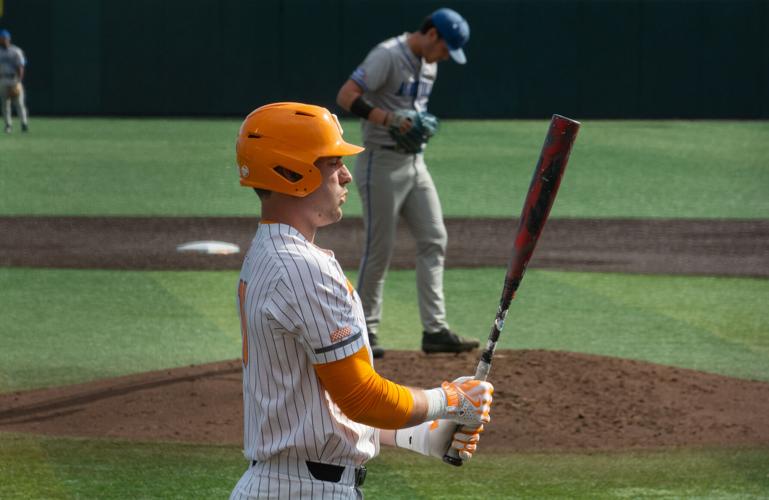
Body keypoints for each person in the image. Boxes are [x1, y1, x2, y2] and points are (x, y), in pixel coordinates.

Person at [229, 102, 494, 499]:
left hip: (283, 484)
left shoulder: (265, 255)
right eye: (333, 162)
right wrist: (449, 399)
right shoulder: (304, 269)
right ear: (292, 171)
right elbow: (360, 397)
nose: (347, 175)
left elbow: (318, 403)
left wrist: (421, 437)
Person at [336, 8, 478, 358]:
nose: (445, 57)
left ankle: (435, 330)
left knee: (434, 238)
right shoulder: (387, 55)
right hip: (380, 162)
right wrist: (388, 119)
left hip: (415, 163)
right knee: (379, 248)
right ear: (432, 35)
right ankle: (364, 330)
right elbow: (346, 95)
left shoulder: (430, 62)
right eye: (445, 49)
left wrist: (407, 123)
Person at [0, 29, 29, 134]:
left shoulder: (16, 50)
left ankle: (24, 124)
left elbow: (21, 66)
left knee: (19, 104)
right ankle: (8, 125)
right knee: (5, 104)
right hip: (3, 79)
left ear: (9, 39)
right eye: (2, 38)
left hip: (14, 79)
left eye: (5, 38)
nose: (3, 40)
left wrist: (19, 81)